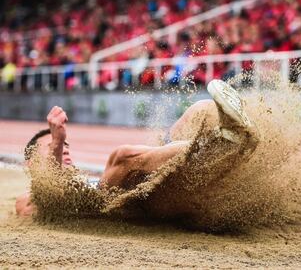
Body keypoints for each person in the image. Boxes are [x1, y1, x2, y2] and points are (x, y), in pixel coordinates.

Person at [16, 79, 259, 216]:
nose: (63, 148)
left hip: (139, 192)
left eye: (64, 145)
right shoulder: (26, 200)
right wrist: (56, 142)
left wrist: (57, 146)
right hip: (106, 207)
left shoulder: (84, 177)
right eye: (51, 147)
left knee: (199, 111)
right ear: (30, 163)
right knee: (121, 156)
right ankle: (220, 144)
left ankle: (236, 131)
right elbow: (44, 205)